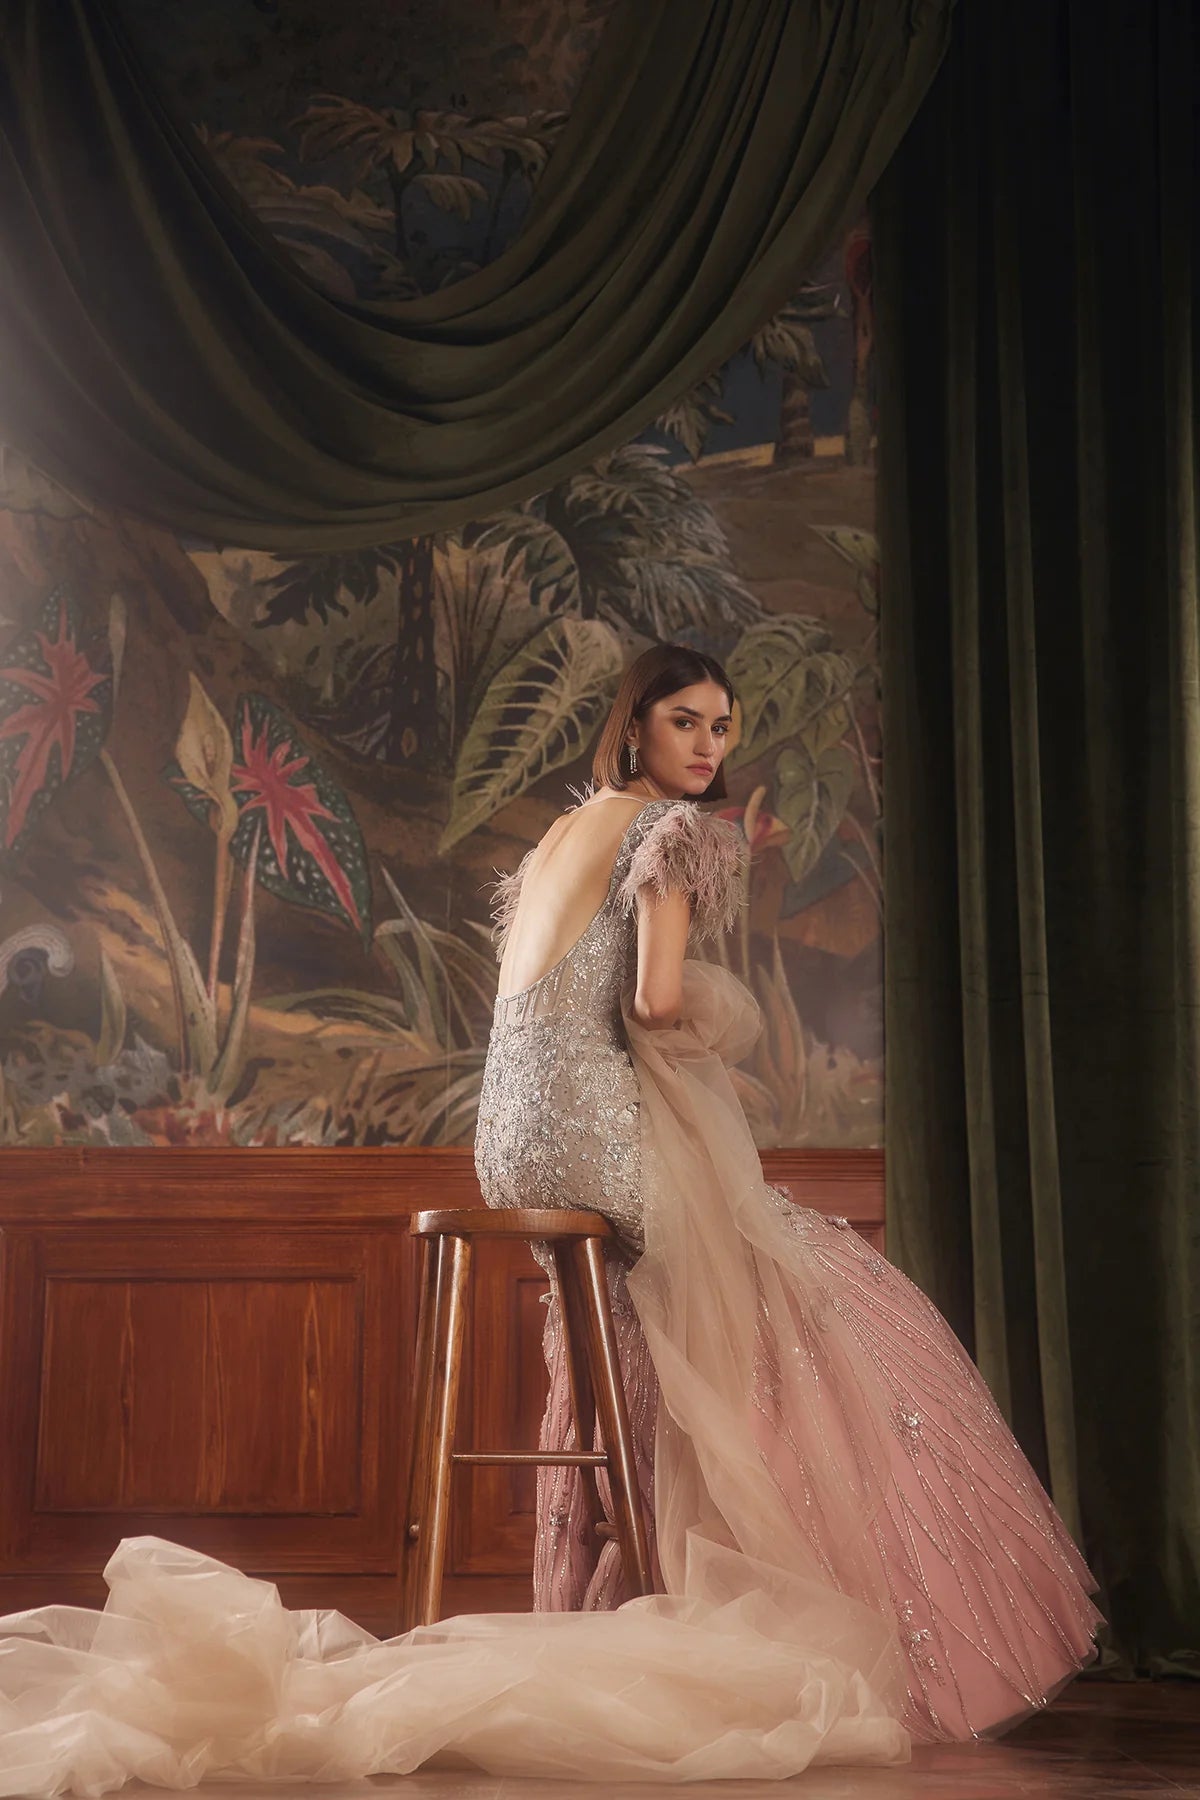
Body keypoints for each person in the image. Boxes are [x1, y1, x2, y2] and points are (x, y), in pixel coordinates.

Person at [0, 646, 1102, 1794]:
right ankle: (870, 1616)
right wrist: (726, 1015)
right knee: (826, 1286)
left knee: (716, 1289)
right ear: (636, 725)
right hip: (591, 1138)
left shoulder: (566, 829)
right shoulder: (670, 834)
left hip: (512, 1140)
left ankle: (658, 1557)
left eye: (723, 726)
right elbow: (655, 1004)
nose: (709, 747)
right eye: (686, 722)